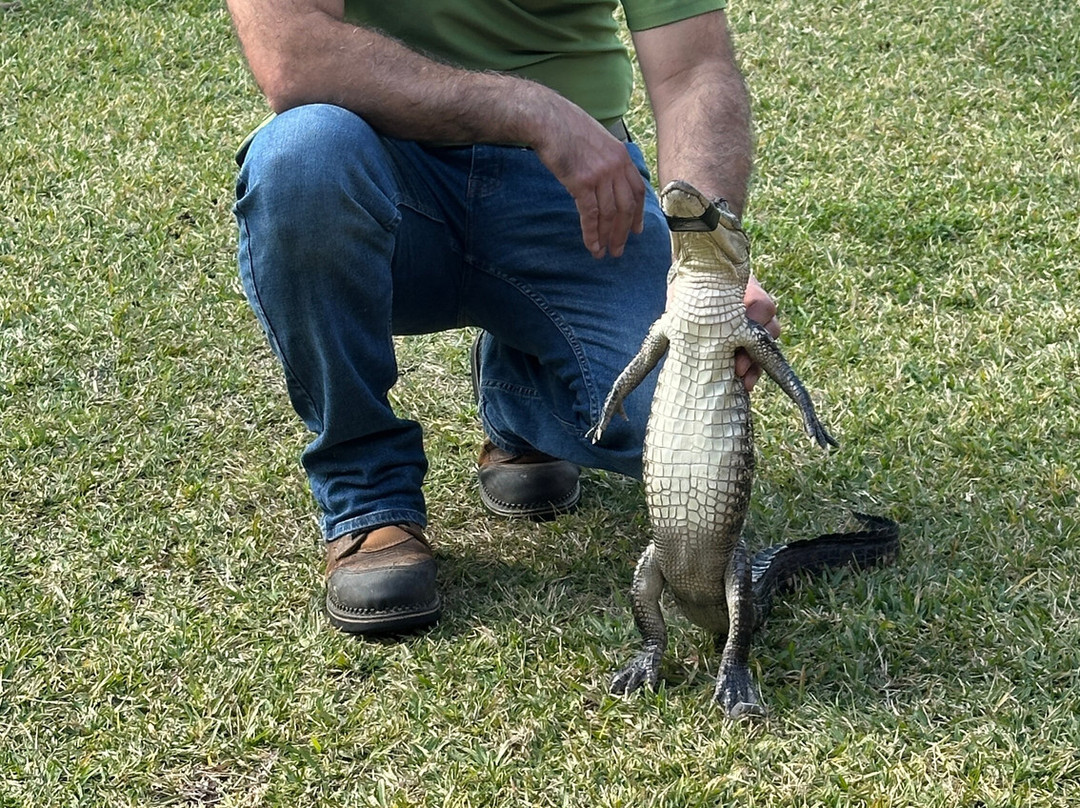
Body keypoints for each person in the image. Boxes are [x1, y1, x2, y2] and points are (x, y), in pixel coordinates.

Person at [225, 0, 780, 635]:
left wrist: (705, 257)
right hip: (383, 161)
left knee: (668, 422)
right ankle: (368, 494)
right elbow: (293, 55)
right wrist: (530, 110)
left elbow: (694, 70)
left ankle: (520, 391)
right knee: (299, 163)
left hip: (577, 188)